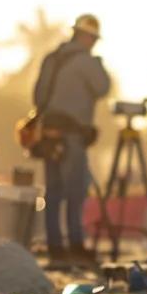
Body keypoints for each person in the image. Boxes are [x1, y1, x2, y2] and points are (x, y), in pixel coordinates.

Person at [33, 15, 112, 262]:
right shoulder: (86, 61)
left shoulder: (51, 59)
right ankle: (76, 245)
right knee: (75, 192)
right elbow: (103, 87)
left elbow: (38, 98)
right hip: (72, 137)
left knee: (53, 192)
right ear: (87, 37)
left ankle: (56, 247)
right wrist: (97, 63)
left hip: (49, 135)